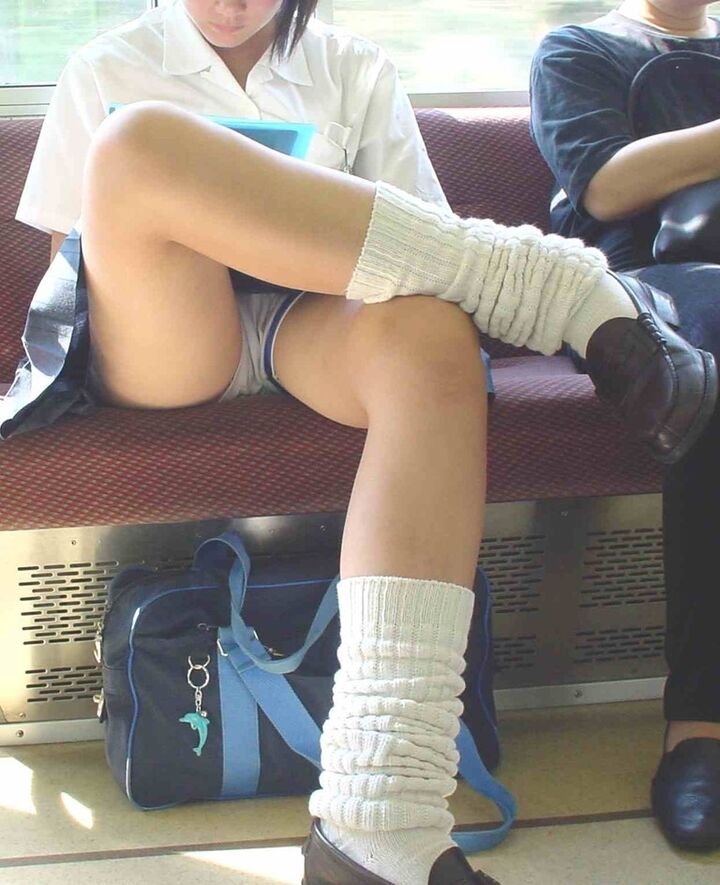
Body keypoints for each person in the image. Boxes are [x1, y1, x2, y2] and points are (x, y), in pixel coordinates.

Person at [4, 2, 715, 883]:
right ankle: (545, 282)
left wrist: (298, 231)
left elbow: (421, 250)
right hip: (167, 335)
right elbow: (74, 258)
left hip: (310, 321)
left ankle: (379, 822)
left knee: (432, 341)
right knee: (138, 145)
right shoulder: (106, 64)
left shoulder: (352, 68)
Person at [530, 0, 720, 854]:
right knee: (714, 367)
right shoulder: (580, 49)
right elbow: (604, 184)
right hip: (642, 288)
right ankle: (702, 723)